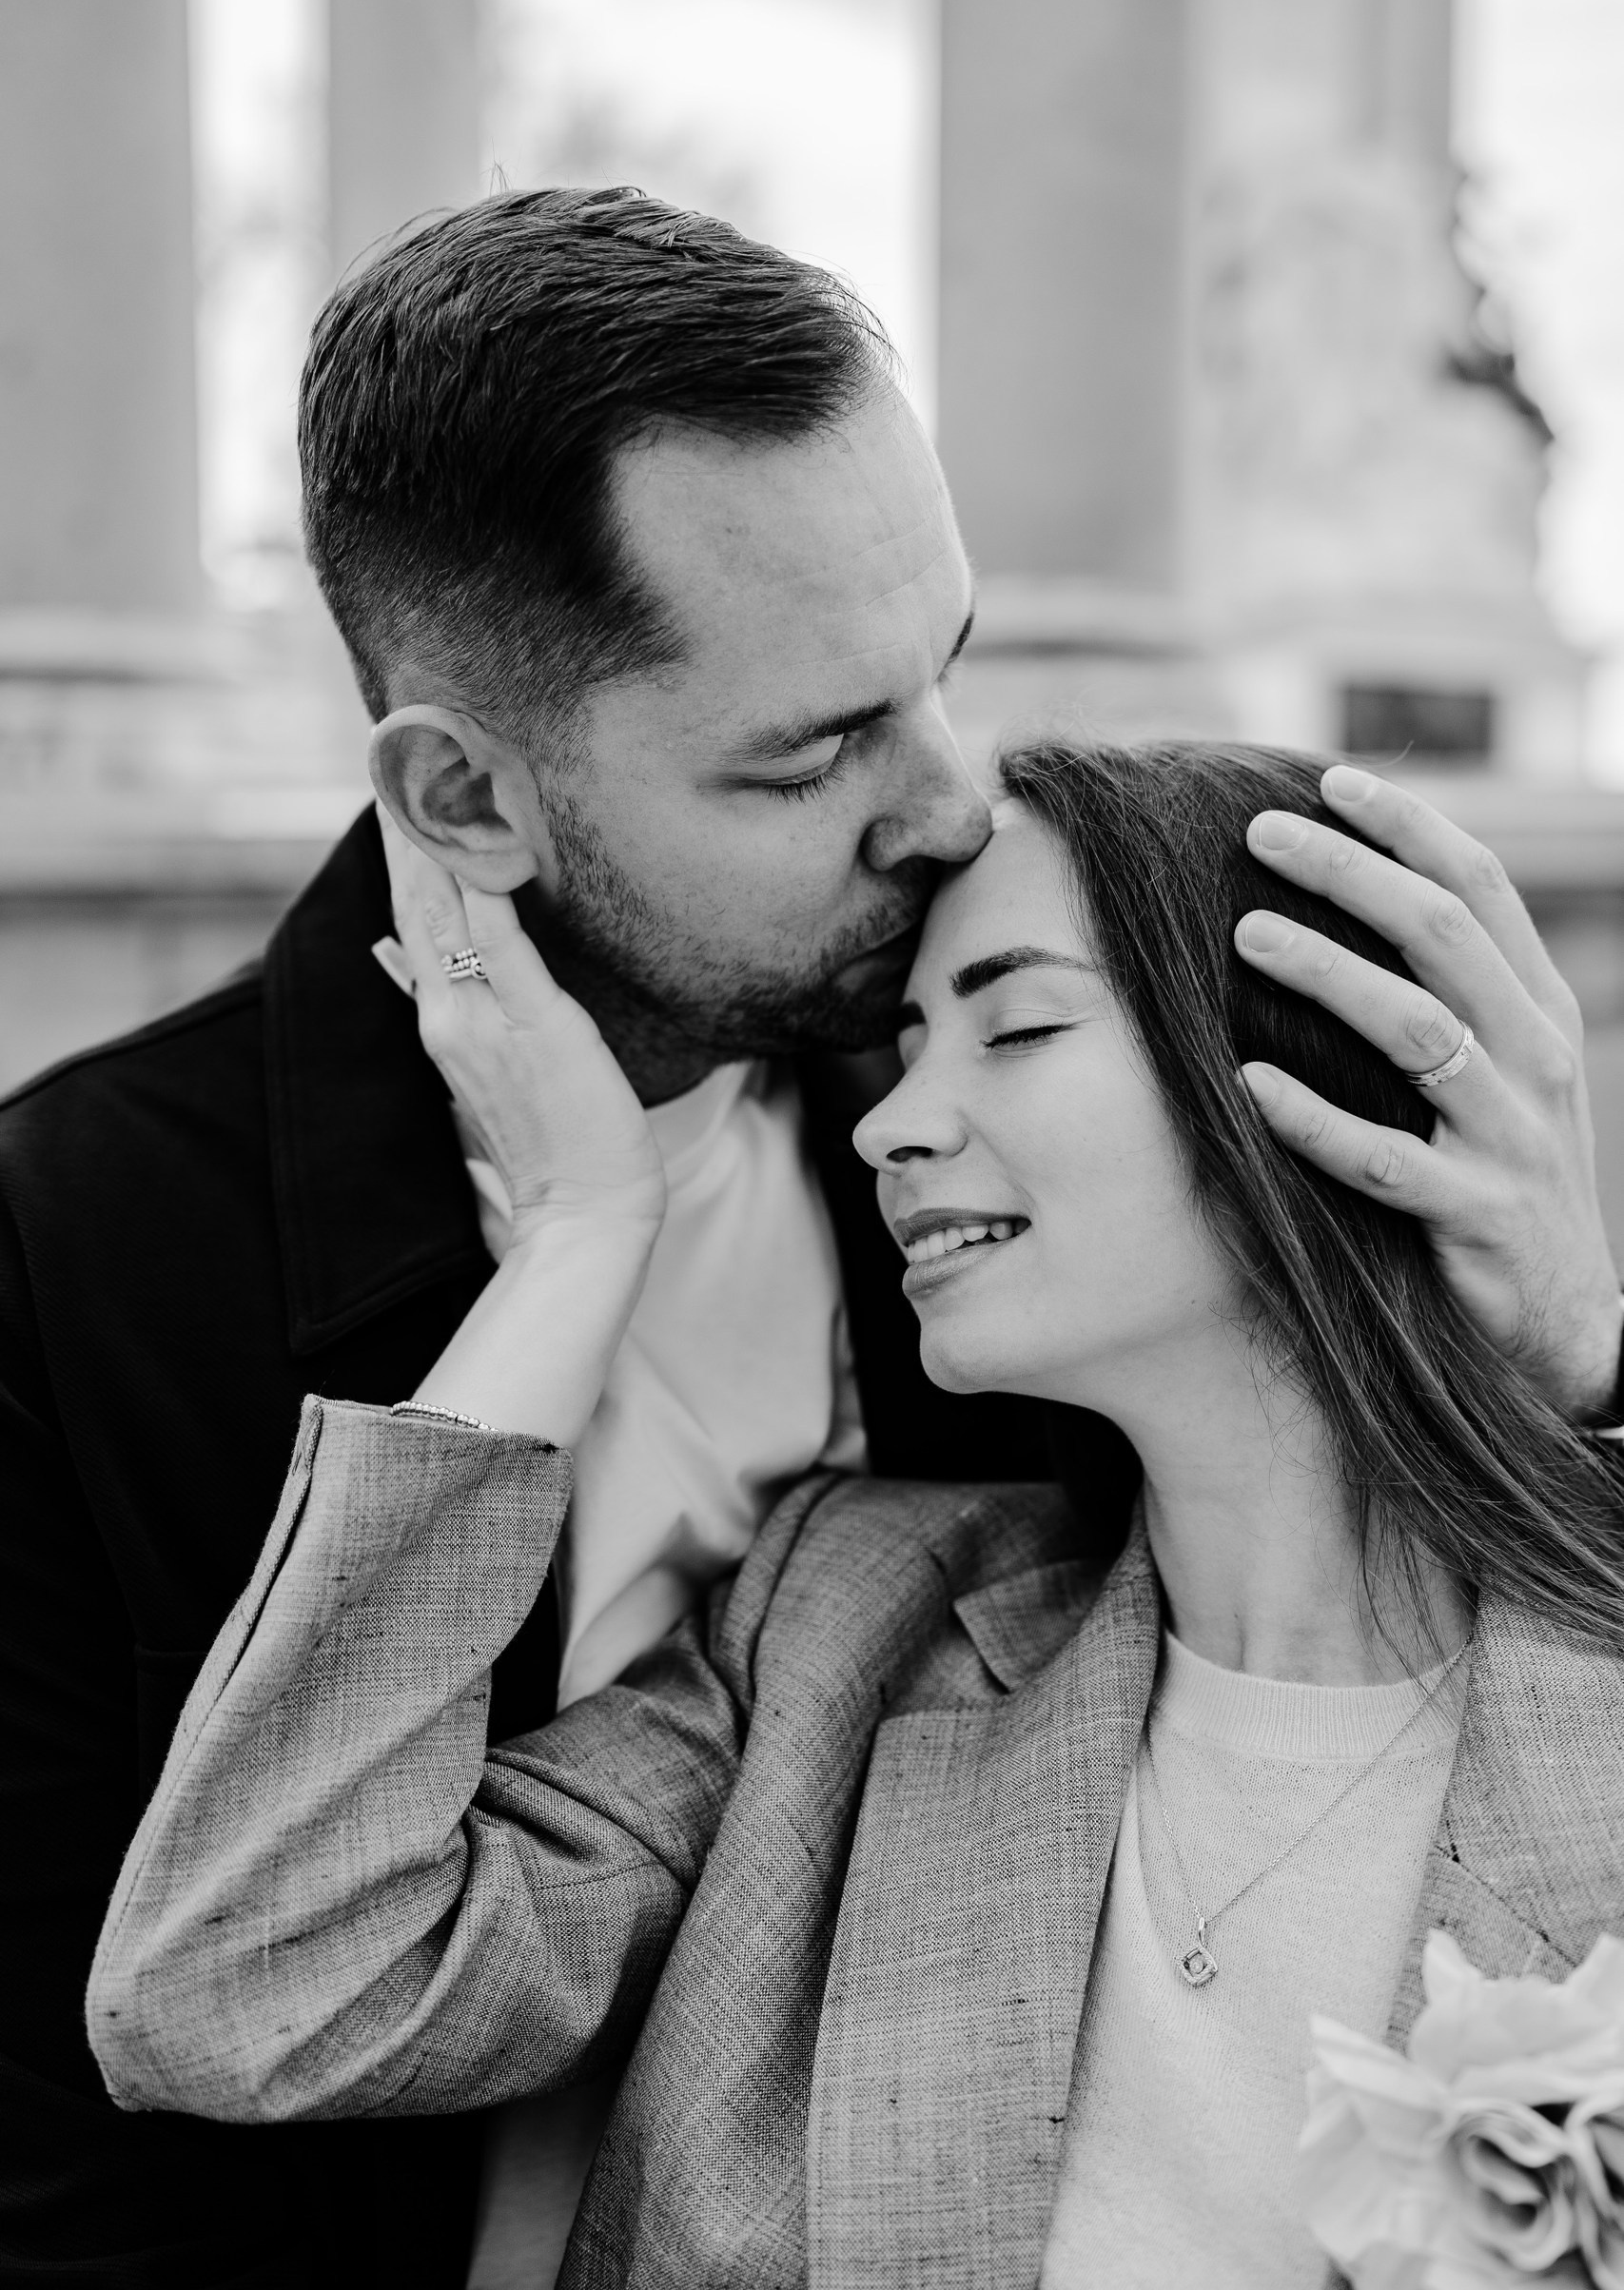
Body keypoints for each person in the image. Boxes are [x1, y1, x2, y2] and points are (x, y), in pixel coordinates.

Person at [3, 191, 1617, 2290]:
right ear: (467, 801)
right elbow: (169, 2050)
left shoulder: (968, 1107)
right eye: (812, 750)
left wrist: (1567, 1357)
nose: (943, 804)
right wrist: (577, 1241)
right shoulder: (82, 1254)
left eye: (938, 672)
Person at [88, 737, 1624, 2289]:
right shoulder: (836, 1636)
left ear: (1314, 1078)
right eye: (904, 1048)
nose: (890, 1125)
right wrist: (578, 1230)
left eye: (1019, 1027)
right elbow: (254, 1987)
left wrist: (1590, 1353)